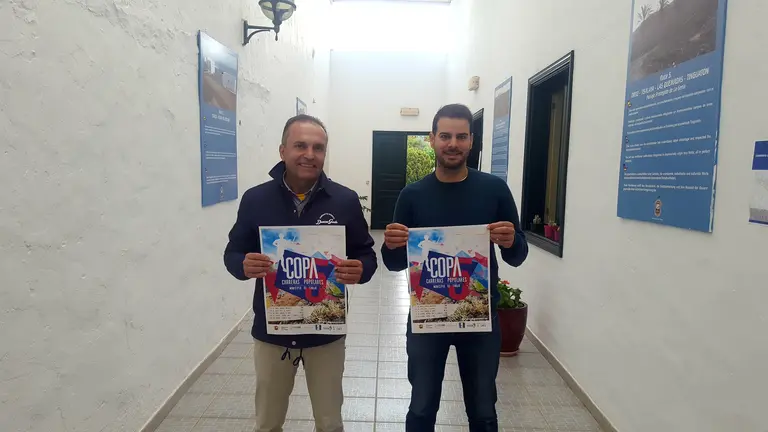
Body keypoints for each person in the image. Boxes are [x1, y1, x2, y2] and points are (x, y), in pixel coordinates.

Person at [224, 114, 378, 432]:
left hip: (326, 333)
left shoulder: (345, 201)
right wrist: (243, 265)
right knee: (267, 423)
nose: (310, 154)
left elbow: (366, 254)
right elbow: (232, 252)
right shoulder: (256, 200)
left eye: (318, 147)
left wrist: (361, 269)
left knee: (329, 423)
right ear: (282, 151)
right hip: (272, 332)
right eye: (300, 145)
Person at [381, 104, 529, 432]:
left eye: (461, 136)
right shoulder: (412, 195)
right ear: (432, 140)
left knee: (483, 411)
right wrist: (391, 244)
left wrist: (509, 241)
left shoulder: (494, 190)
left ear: (471, 141)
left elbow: (517, 255)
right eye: (445, 136)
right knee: (420, 409)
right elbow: (392, 263)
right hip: (427, 316)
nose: (453, 143)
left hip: (479, 318)